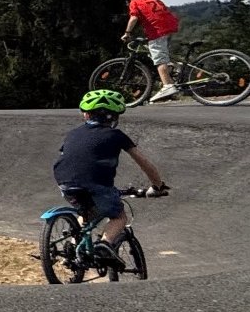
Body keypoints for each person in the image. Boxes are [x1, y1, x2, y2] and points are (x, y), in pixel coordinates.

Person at [52, 89, 170, 262]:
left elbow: (71, 157)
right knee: (119, 216)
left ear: (86, 115)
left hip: (65, 182)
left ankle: (73, 245)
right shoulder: (116, 135)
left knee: (86, 213)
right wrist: (157, 185)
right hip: (96, 184)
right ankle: (105, 245)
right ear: (114, 117)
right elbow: (144, 163)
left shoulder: (73, 133)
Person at [123, 0, 182, 103]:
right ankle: (173, 68)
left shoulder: (135, 2)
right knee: (159, 53)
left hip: (157, 31)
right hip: (170, 28)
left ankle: (167, 86)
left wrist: (127, 33)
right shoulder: (154, 0)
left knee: (159, 59)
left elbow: (134, 18)